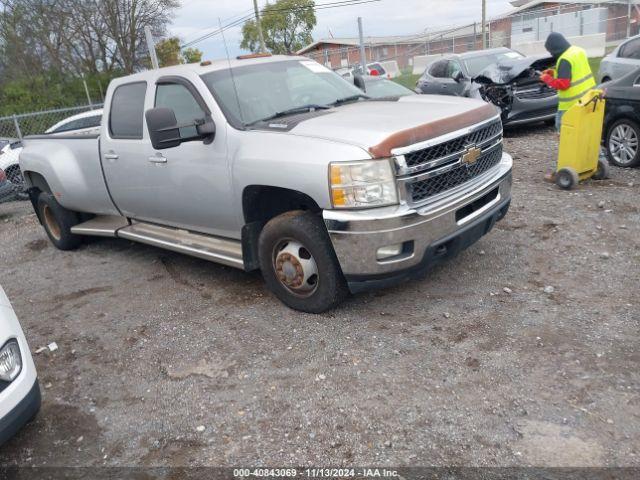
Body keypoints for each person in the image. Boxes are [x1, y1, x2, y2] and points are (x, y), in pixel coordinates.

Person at [539, 32, 596, 182]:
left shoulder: (564, 59)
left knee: (566, 139)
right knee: (589, 133)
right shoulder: (577, 51)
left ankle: (562, 168)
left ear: (555, 48)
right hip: (588, 101)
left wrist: (547, 79)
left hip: (570, 106)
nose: (551, 54)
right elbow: (574, 73)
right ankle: (595, 162)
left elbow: (564, 84)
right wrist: (554, 72)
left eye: (551, 51)